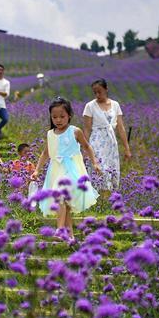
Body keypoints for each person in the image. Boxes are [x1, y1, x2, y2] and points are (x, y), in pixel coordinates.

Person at [32, 97, 102, 239]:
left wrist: (95, 163)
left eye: (62, 116)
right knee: (64, 202)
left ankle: (60, 230)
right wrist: (37, 170)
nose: (58, 120)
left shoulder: (75, 131)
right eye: (55, 117)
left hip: (72, 170)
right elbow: (46, 153)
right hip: (56, 171)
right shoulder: (50, 134)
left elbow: (87, 147)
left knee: (63, 198)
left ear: (69, 115)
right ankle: (69, 234)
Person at [81, 78, 131, 200]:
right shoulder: (90, 106)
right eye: (95, 92)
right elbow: (87, 129)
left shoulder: (115, 105)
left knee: (111, 170)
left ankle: (108, 201)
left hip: (111, 143)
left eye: (100, 92)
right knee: (98, 168)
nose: (97, 95)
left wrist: (127, 149)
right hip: (96, 141)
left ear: (106, 89)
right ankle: (95, 201)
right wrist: (84, 149)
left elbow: (120, 127)